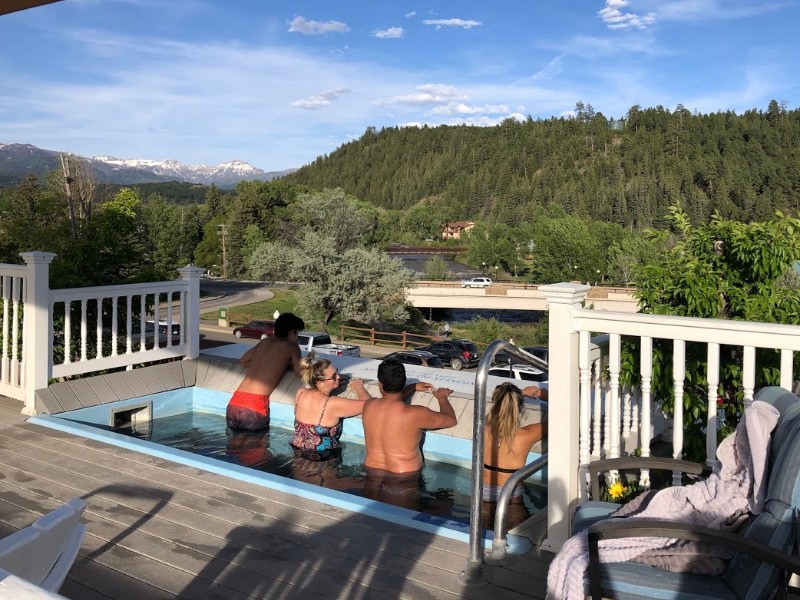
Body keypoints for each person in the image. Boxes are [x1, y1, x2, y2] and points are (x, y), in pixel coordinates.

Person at [361, 359, 456, 476]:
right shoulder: (415, 414)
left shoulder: (368, 406)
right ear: (403, 381)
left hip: (371, 470)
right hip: (404, 476)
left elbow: (391, 401)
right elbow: (451, 420)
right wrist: (442, 397)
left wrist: (412, 387)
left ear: (380, 384)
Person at [482, 382, 548, 530]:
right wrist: (544, 395)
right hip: (512, 502)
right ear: (519, 408)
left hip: (484, 500)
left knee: (485, 541)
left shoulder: (483, 428)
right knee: (516, 547)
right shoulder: (527, 434)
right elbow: (563, 420)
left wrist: (517, 395)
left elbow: (491, 415)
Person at [226, 312, 305, 431]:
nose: (297, 337)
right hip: (254, 406)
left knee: (233, 445)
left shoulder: (265, 342)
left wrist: (273, 366)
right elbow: (300, 373)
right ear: (291, 332)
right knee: (255, 448)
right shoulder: (291, 346)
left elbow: (243, 361)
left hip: (235, 402)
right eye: (297, 333)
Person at [291, 353, 371, 460]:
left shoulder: (300, 393)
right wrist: (358, 386)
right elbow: (369, 404)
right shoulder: (332, 404)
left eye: (336, 372)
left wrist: (333, 382)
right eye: (333, 376)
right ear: (320, 383)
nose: (338, 376)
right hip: (323, 463)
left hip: (297, 454)